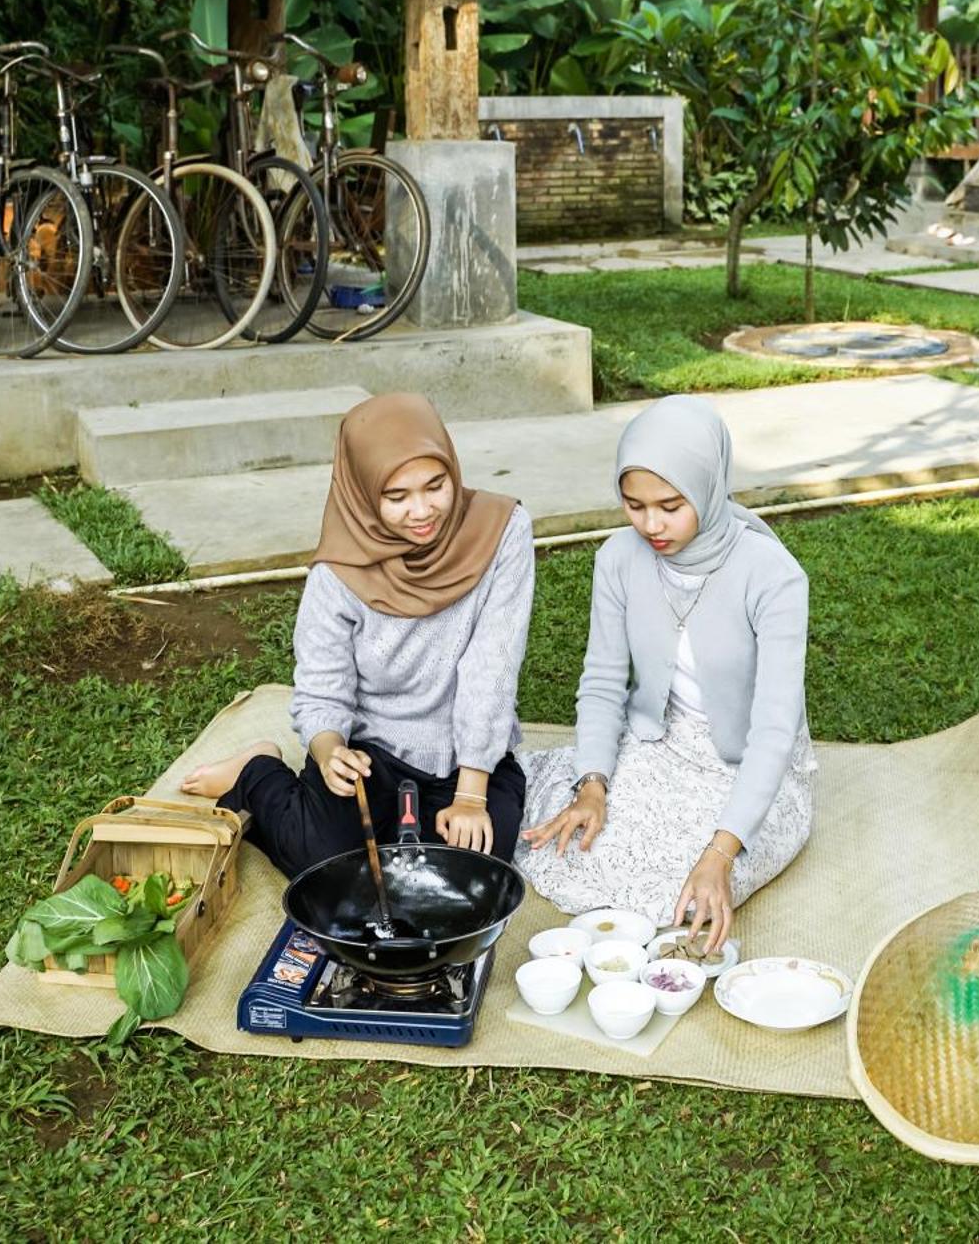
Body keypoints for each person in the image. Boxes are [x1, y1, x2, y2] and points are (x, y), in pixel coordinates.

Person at [179, 392, 534, 874]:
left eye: (436, 486)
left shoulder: (500, 531)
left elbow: (492, 665)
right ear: (365, 492)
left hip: (466, 758)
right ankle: (256, 771)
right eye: (397, 497)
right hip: (373, 753)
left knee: (467, 876)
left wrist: (471, 795)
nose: (423, 511)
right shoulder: (336, 573)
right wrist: (329, 753)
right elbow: (322, 688)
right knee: (328, 867)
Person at [516, 396, 814, 952]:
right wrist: (593, 784)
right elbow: (603, 681)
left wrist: (720, 853)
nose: (651, 525)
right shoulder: (618, 559)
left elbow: (774, 731)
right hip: (659, 743)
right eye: (634, 506)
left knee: (683, 891)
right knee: (571, 845)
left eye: (671, 505)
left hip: (749, 765)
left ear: (707, 485)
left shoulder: (773, 576)